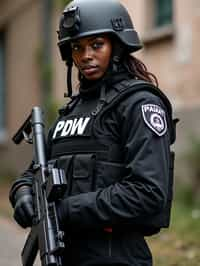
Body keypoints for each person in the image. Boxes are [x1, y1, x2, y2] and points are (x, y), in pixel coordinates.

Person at [9, 0, 177, 265]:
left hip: (116, 256)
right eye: (77, 47)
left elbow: (147, 192)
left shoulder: (138, 104)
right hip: (64, 255)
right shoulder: (72, 111)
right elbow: (34, 172)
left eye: (96, 45)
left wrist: (65, 210)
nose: (85, 55)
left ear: (117, 45)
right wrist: (22, 192)